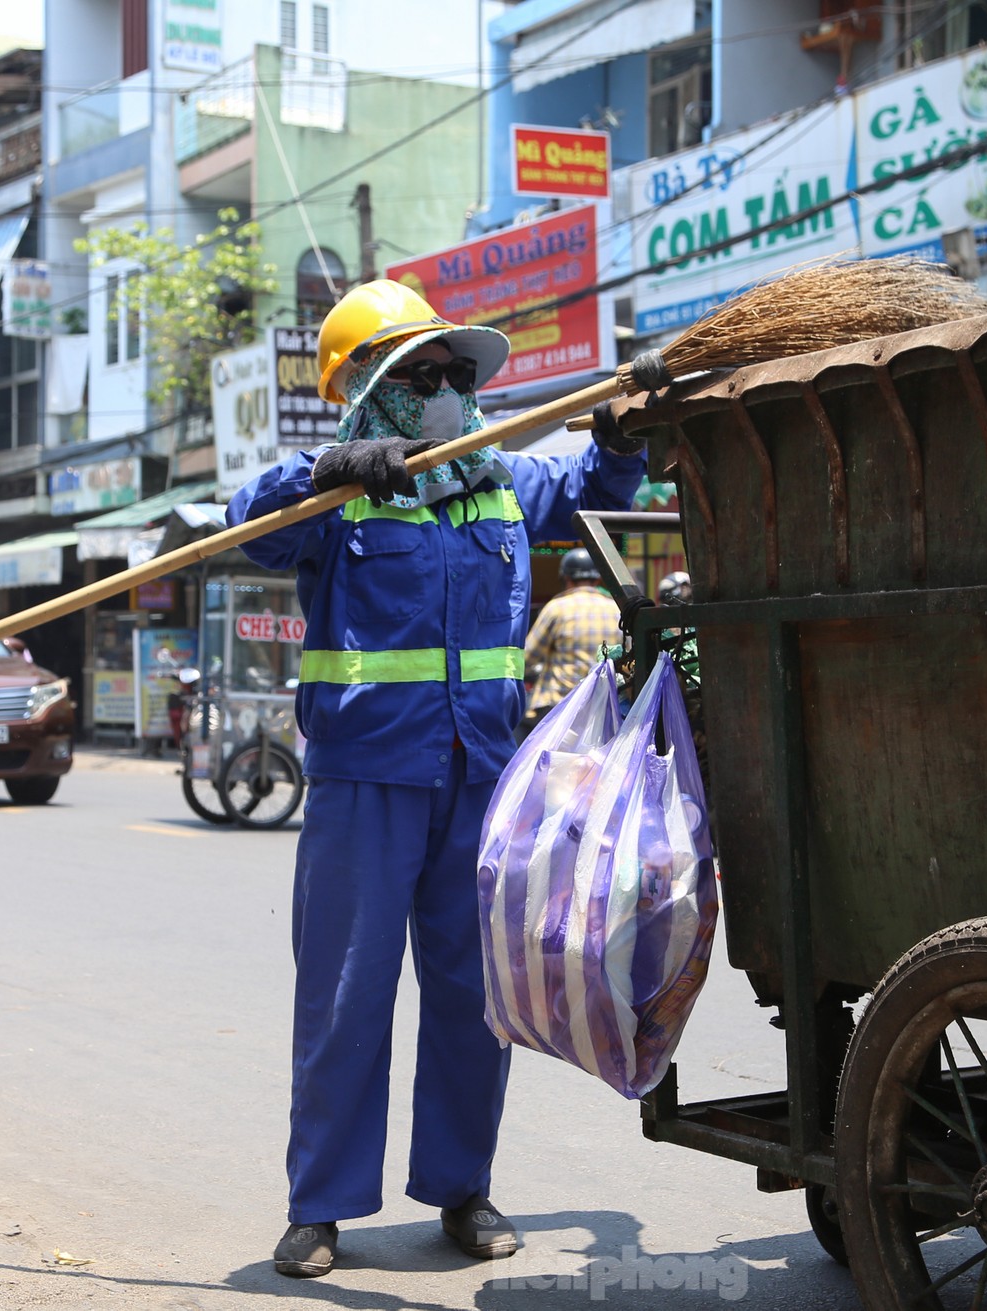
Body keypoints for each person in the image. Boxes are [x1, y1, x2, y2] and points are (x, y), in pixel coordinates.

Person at [224, 280, 646, 1280]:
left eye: (458, 371)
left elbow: (602, 484)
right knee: (344, 997)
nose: (451, 385)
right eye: (426, 372)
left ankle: (461, 1188)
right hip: (366, 775)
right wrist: (324, 470)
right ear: (375, 389)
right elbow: (248, 528)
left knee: (471, 999)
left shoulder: (500, 483)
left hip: (480, 777)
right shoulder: (337, 496)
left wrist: (622, 433)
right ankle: (319, 1207)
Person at [520, 548, 622, 740]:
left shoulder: (557, 608)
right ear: (597, 579)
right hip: (601, 709)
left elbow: (527, 657)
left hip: (558, 707)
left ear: (566, 578)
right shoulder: (615, 609)